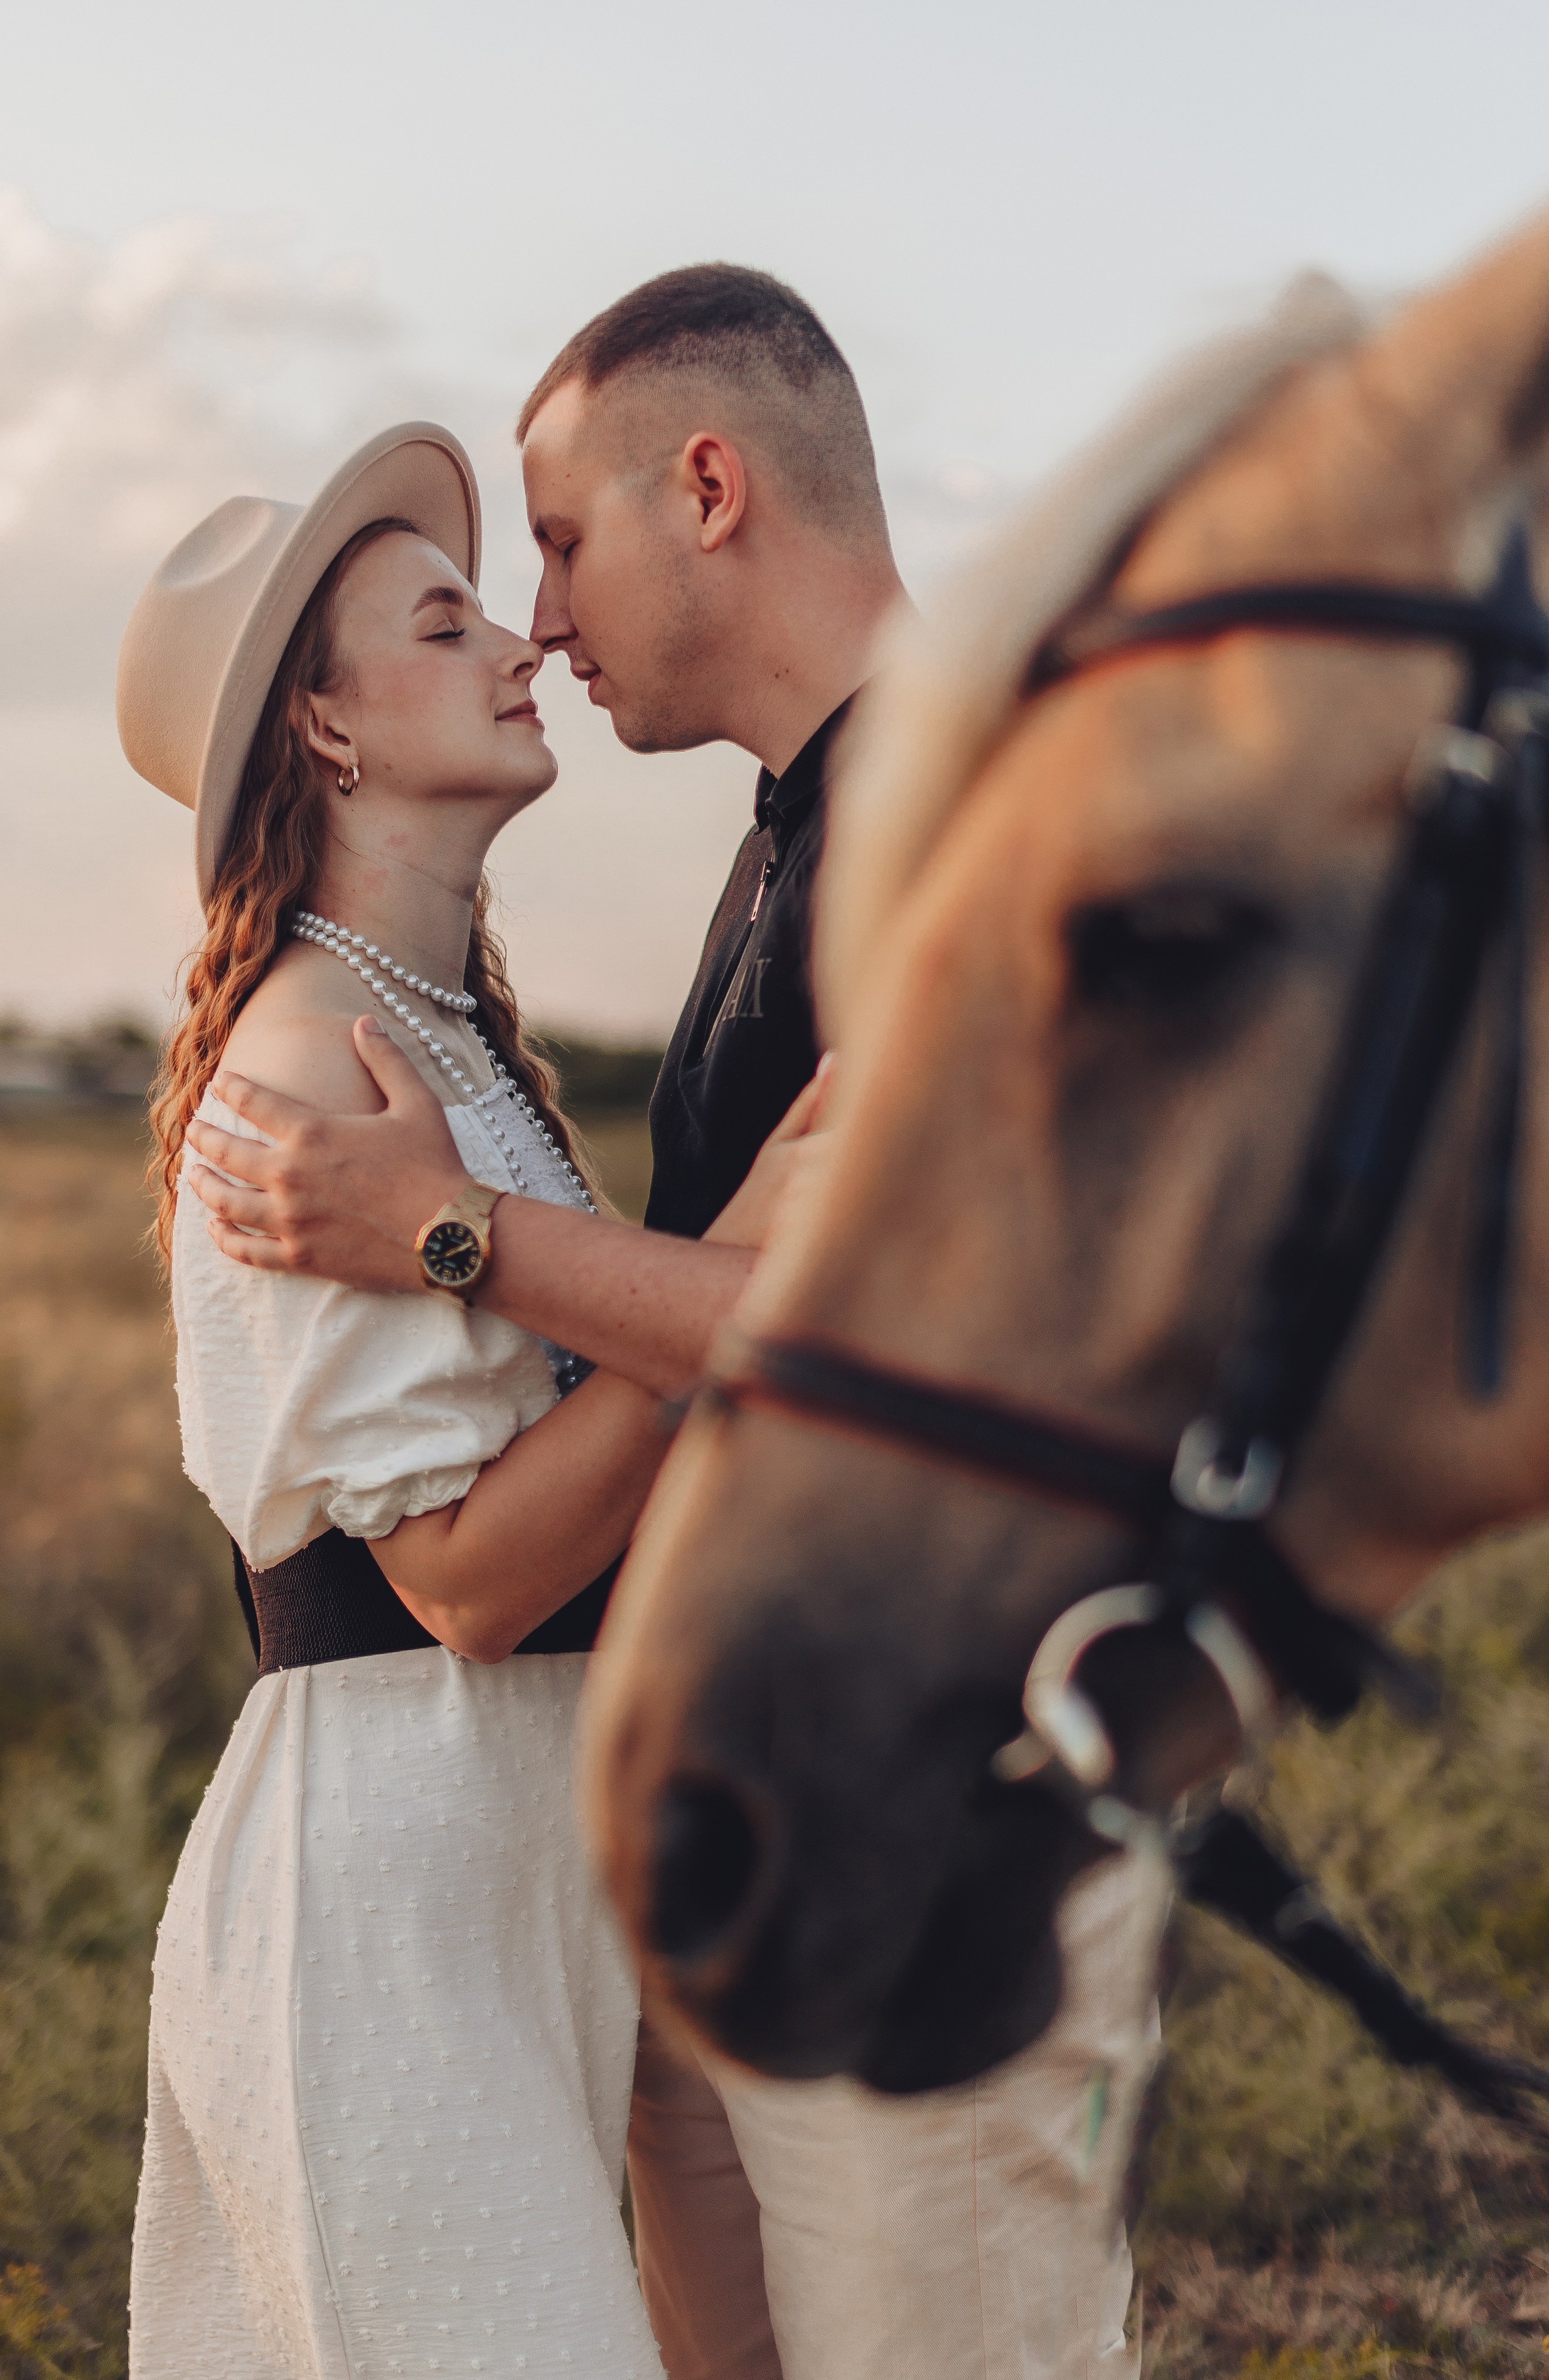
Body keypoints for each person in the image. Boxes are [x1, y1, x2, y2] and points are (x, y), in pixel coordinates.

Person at [184, 275, 1160, 2380]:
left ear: (704, 485)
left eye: (548, 542)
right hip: (638, 1874)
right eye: (475, 596)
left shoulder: (955, 826)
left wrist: (452, 1240)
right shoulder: (781, 859)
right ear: (330, 729)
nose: (538, 617)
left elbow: (920, 1342)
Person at [117, 420, 806, 2380]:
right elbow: (471, 1582)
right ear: (326, 732)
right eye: (445, 623)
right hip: (382, 1919)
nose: (521, 643)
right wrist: (736, 1274)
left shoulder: (450, 1047)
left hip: (508, 1892)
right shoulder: (314, 1065)